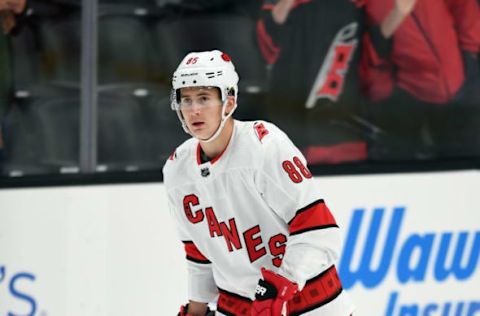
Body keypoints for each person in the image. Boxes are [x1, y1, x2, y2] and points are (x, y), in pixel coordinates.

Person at [162, 50, 354, 316]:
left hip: (310, 302)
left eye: (204, 98)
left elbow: (319, 231)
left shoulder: (264, 146)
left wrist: (279, 287)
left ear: (228, 103)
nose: (194, 109)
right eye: (187, 100)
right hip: (238, 305)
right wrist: (196, 309)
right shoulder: (177, 169)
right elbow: (199, 252)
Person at [360, 0, 480, 159]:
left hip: (462, 84)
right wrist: (394, 18)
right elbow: (364, 54)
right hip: (408, 97)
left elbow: (463, 5)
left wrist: (470, 51)